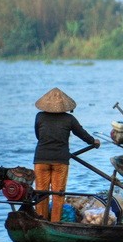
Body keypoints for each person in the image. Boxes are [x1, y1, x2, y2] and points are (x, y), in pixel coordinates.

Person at [33, 88, 100, 222]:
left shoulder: (39, 116)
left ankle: (41, 220)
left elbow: (38, 136)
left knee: (41, 193)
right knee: (58, 194)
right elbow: (82, 134)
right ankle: (55, 222)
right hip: (60, 160)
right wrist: (94, 142)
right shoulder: (69, 119)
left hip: (41, 159)